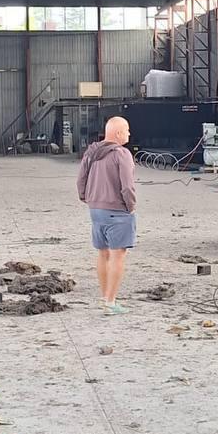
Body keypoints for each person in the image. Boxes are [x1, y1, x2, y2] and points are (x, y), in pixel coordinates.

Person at [76, 116, 136, 315]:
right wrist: (131, 206)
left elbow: (81, 179)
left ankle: (105, 297)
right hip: (117, 211)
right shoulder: (122, 154)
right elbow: (127, 186)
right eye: (127, 130)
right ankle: (111, 302)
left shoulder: (91, 152)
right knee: (118, 255)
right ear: (118, 133)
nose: (129, 134)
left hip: (96, 210)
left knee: (103, 253)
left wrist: (87, 198)